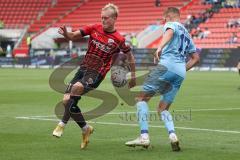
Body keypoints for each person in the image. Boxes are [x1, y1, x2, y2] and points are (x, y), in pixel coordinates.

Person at [52, 3, 136, 149]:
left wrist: (133, 76)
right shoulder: (93, 28)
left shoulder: (119, 39)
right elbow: (72, 36)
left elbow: (130, 58)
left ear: (115, 18)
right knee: (66, 101)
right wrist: (66, 34)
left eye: (106, 18)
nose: (103, 20)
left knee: (76, 88)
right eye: (102, 18)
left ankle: (62, 124)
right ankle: (85, 129)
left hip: (97, 73)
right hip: (83, 69)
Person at [125, 7, 200, 151]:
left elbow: (169, 32)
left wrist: (159, 47)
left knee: (141, 99)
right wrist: (180, 69)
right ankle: (172, 135)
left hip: (166, 66)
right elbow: (196, 58)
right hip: (179, 72)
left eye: (163, 19)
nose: (163, 22)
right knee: (163, 108)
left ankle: (144, 137)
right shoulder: (187, 34)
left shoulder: (171, 25)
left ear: (168, 17)